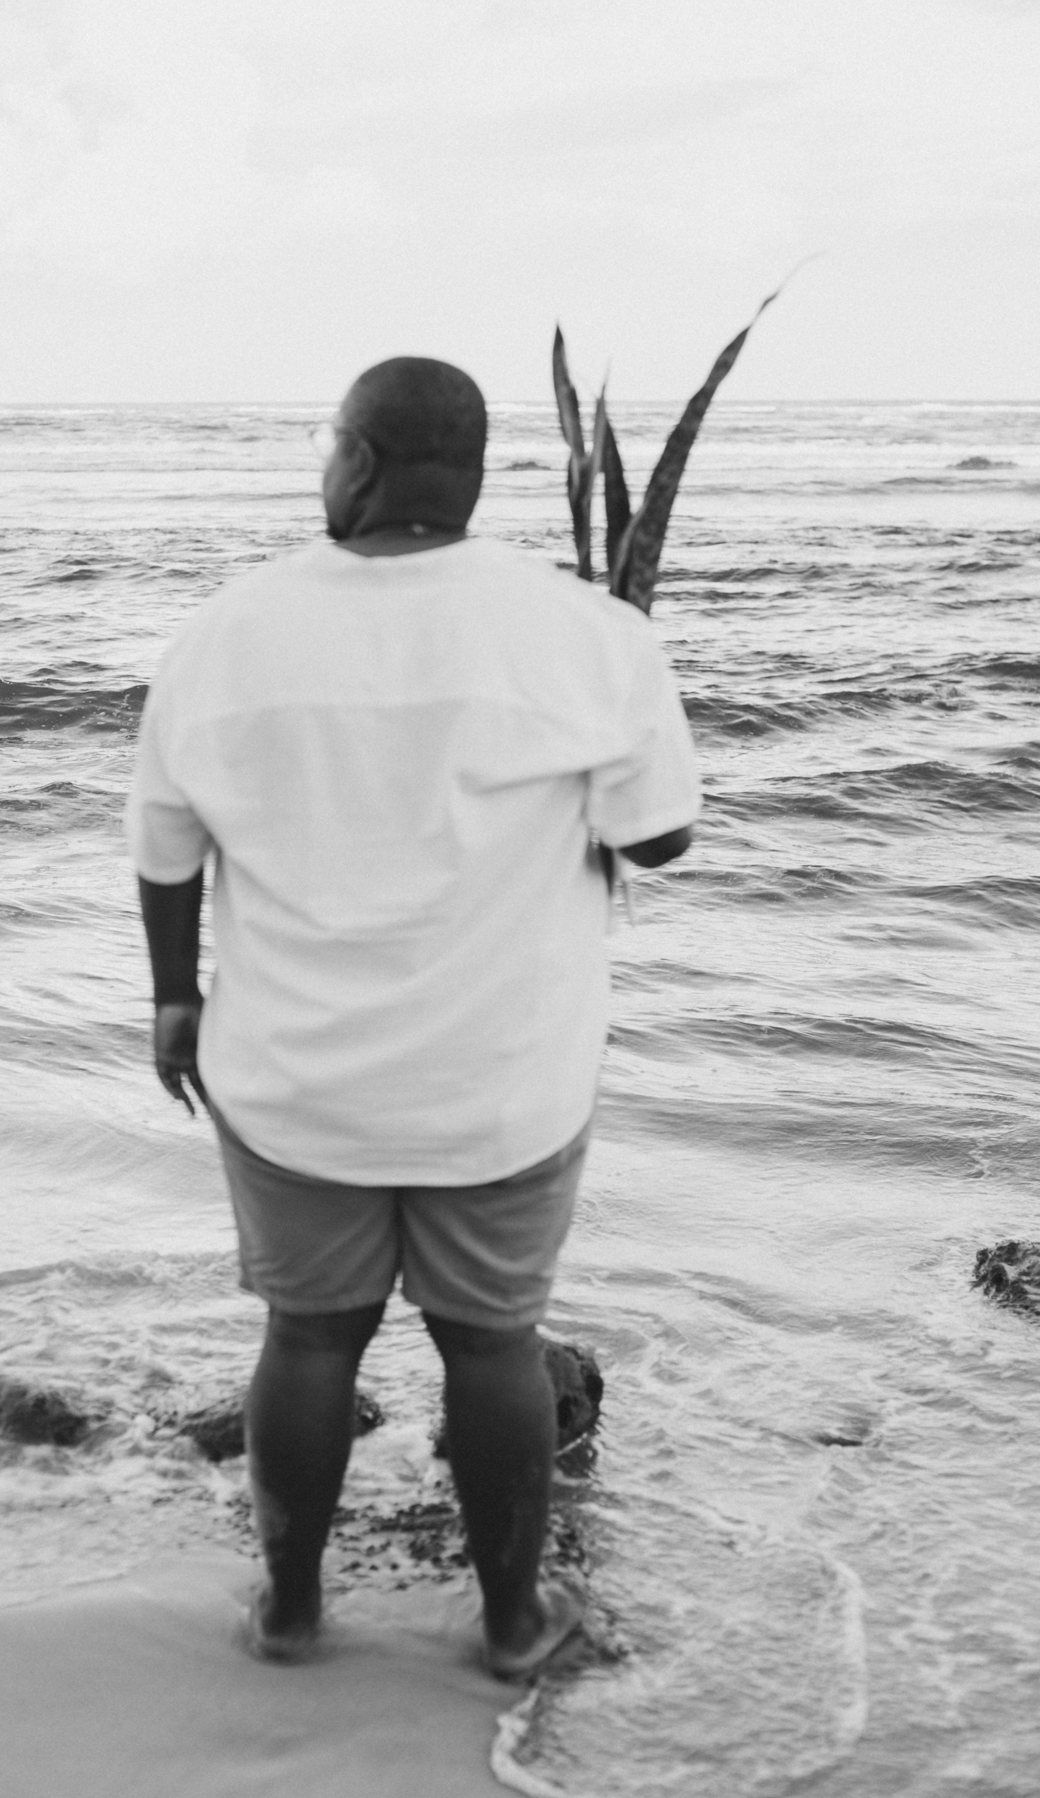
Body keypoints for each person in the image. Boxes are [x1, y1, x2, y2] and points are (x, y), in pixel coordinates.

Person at [125, 357, 700, 1677]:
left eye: (329, 445)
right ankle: (510, 1627)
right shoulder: (588, 633)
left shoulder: (226, 631)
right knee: (493, 1346)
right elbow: (659, 838)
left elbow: (166, 852)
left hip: (294, 1080)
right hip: (501, 1083)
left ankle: (289, 1614)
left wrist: (172, 1004)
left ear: (363, 461)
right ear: (476, 471)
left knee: (308, 1338)